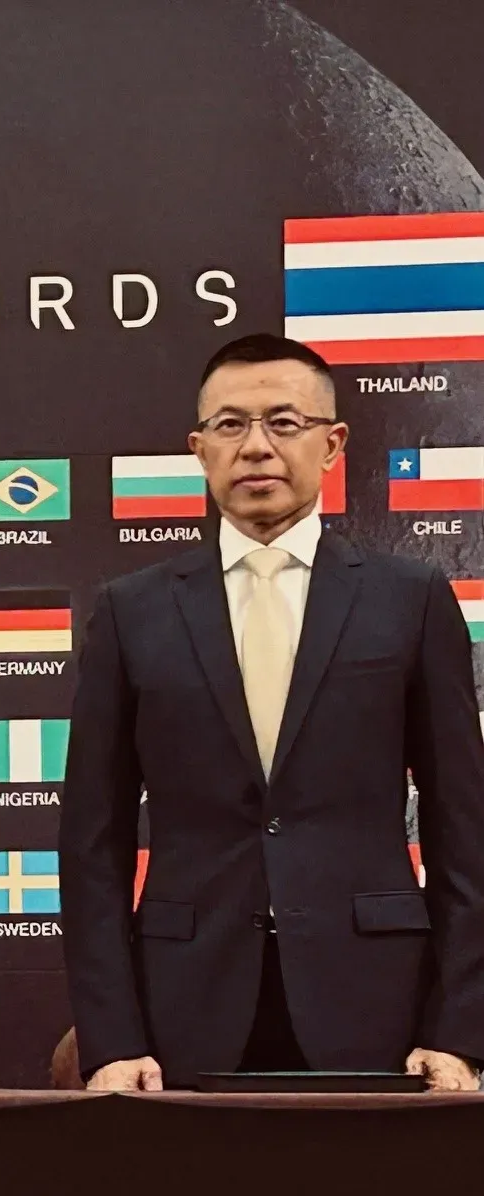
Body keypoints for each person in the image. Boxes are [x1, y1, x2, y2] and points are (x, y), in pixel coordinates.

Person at [61, 333, 484, 1091]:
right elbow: (92, 841)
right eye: (229, 425)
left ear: (333, 443)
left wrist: (457, 1030)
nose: (255, 446)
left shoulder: (410, 599)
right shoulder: (132, 611)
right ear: (198, 449)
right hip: (181, 1008)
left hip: (378, 1004)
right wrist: (111, 1039)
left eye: (284, 422)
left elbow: (464, 831)